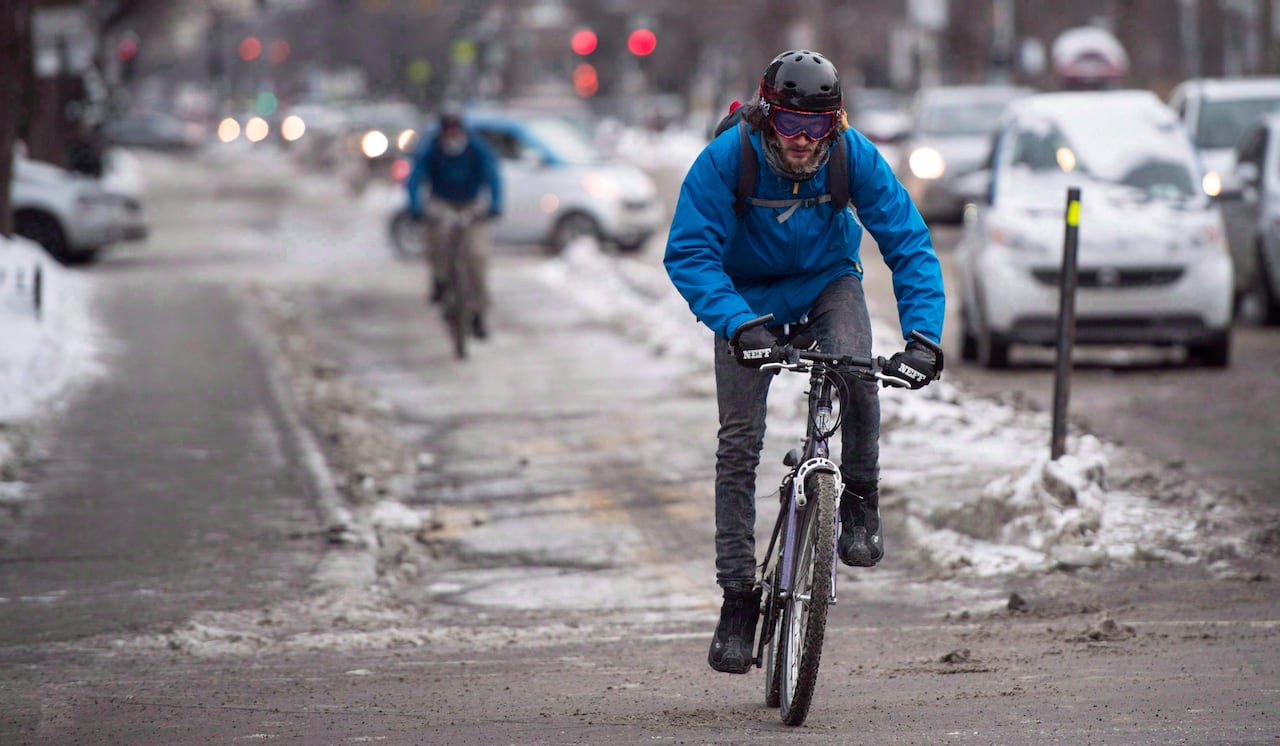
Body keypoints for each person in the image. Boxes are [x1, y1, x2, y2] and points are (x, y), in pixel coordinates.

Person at [663, 50, 946, 675]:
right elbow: (688, 252)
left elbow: (909, 242)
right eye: (790, 124)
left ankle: (861, 501)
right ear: (767, 114)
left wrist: (924, 335)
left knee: (857, 375)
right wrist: (739, 325)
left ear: (835, 124)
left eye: (816, 128)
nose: (801, 141)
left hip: (826, 283)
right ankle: (738, 599)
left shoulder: (853, 157)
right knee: (739, 442)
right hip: (745, 297)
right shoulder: (726, 159)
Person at [406, 105, 503, 338]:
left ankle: (479, 311)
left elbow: (493, 176)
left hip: (471, 203)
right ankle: (440, 280)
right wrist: (416, 206)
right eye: (447, 129)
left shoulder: (476, 148)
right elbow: (415, 177)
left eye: (455, 128)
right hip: (442, 201)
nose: (451, 134)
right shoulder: (431, 148)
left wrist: (495, 204)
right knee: (438, 238)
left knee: (477, 256)